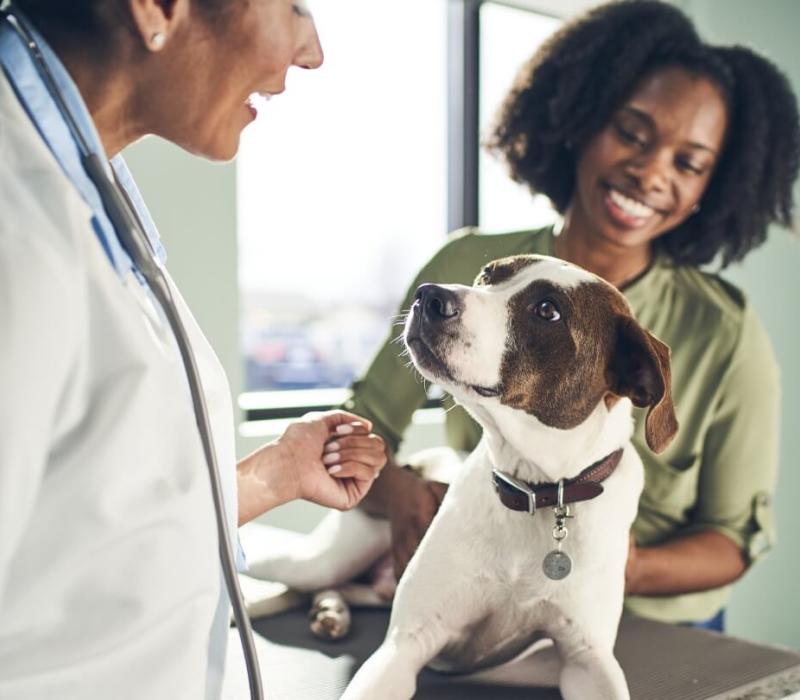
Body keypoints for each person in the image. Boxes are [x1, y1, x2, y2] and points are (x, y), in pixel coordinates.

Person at [345, 0, 799, 631]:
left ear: (713, 188)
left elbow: (731, 540)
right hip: (484, 599)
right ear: (580, 118)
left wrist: (611, 560)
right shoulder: (470, 264)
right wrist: (402, 500)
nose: (649, 172)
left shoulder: (723, 330)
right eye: (631, 134)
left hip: (655, 627)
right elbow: (361, 428)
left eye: (687, 163)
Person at [0, 1, 387, 698]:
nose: (313, 51)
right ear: (157, 8)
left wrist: (276, 473)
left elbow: (92, 522)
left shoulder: (88, 186)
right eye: (294, 6)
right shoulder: (15, 226)